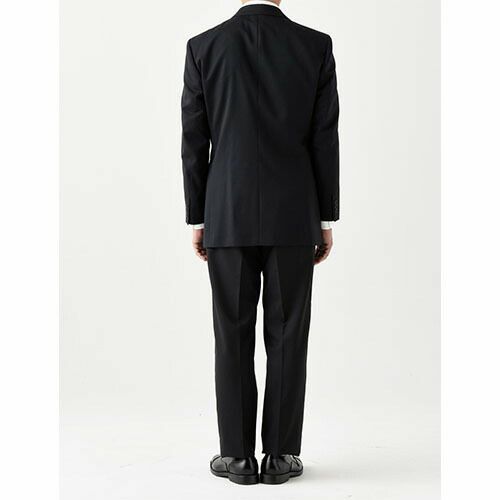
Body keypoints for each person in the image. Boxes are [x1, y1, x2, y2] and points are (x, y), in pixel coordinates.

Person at [181, 0, 339, 485]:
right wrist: (325, 216)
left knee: (231, 333)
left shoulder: (204, 47)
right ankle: (279, 456)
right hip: (294, 213)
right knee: (288, 333)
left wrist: (198, 217)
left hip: (227, 211)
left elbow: (194, 139)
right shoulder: (314, 45)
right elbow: (324, 136)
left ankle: (237, 458)